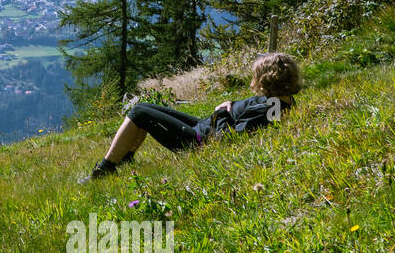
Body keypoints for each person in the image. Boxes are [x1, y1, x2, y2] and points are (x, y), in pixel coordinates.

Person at [83, 52, 302, 181]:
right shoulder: (279, 101)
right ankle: (123, 158)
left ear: (267, 79)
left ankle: (106, 169)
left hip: (199, 141)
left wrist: (221, 111)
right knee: (145, 107)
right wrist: (229, 107)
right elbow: (260, 119)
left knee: (139, 112)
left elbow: (228, 140)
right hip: (203, 127)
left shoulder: (270, 108)